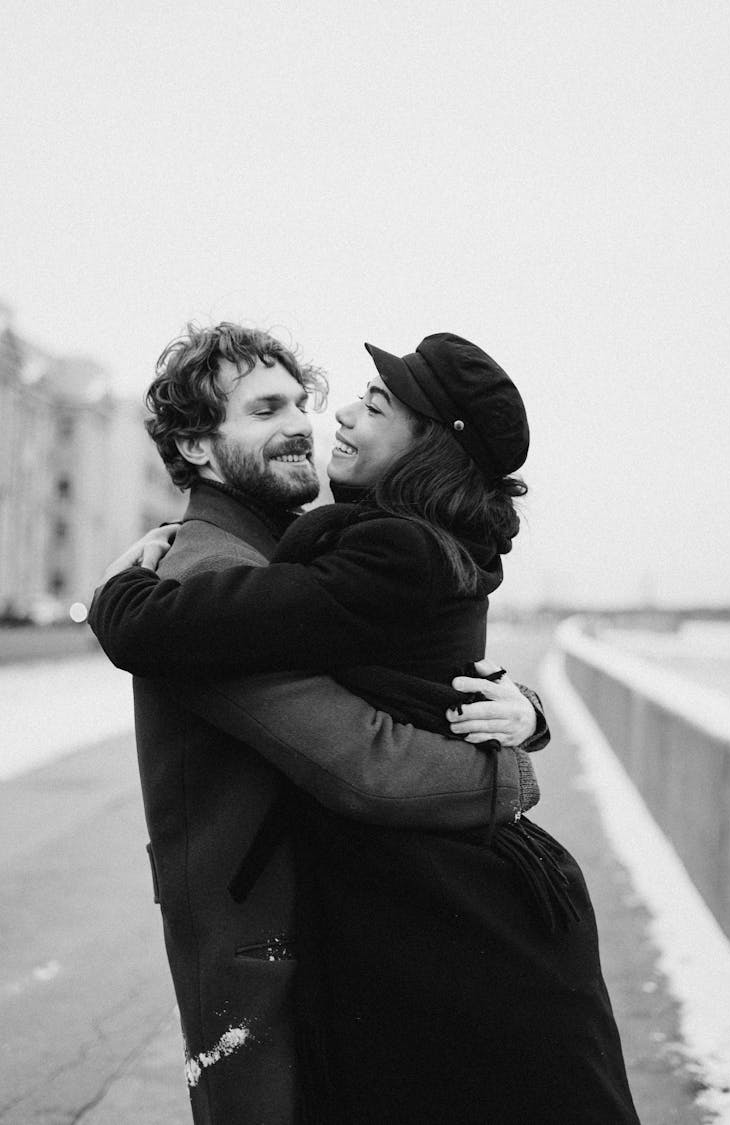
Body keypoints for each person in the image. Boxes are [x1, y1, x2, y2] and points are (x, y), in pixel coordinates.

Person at [91, 331, 640, 1123]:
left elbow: (397, 661)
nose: (307, 423)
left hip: (365, 941)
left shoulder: (296, 549)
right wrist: (513, 771)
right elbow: (367, 765)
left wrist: (525, 706)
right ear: (195, 446)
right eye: (266, 409)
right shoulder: (209, 572)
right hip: (270, 960)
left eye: (300, 403)